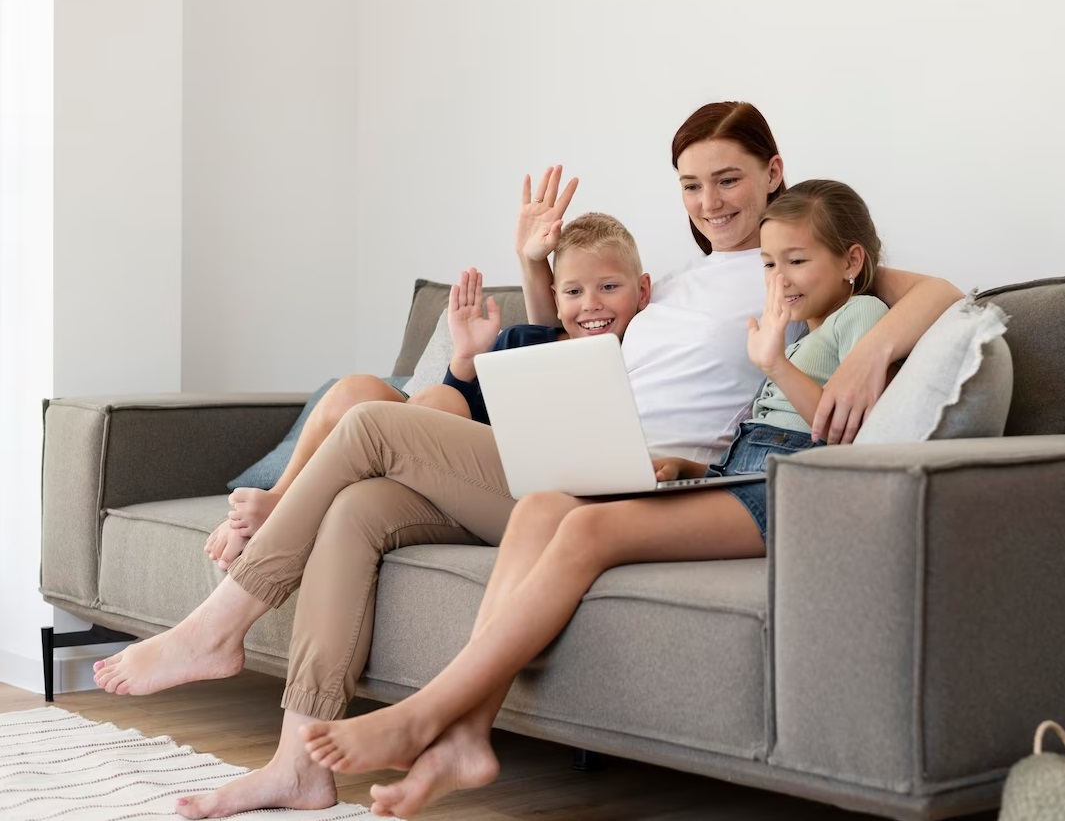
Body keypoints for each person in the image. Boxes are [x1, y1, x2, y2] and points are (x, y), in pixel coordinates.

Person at [91, 102, 962, 820]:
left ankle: (219, 624)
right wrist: (532, 265)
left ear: (774, 171)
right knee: (359, 509)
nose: (710, 200)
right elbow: (570, 337)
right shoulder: (671, 280)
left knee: (370, 429)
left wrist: (870, 348)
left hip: (639, 472)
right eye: (692, 184)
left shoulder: (794, 268)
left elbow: (936, 292)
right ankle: (297, 764)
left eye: (728, 178)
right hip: (574, 451)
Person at [296, 179, 889, 816]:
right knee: (541, 505)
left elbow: (836, 429)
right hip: (741, 478)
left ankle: (430, 713)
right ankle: (468, 738)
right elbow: (749, 441)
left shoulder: (865, 317)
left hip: (794, 491)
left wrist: (773, 363)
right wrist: (687, 464)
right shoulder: (800, 329)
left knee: (584, 531)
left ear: (851, 261)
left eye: (794, 263)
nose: (779, 280)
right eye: (769, 266)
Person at [204, 211, 648, 570]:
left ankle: (286, 513)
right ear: (555, 297)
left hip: (488, 484)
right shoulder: (522, 340)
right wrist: (465, 359)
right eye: (574, 291)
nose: (591, 303)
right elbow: (460, 408)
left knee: (422, 410)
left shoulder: (647, 352)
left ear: (641, 291)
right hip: (442, 450)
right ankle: (283, 497)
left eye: (608, 287)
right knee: (362, 391)